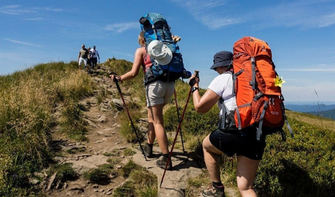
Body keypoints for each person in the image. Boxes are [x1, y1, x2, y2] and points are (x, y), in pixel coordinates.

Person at [189, 51, 266, 197]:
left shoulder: (223, 78)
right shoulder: (253, 77)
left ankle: (217, 188)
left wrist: (195, 88)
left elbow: (200, 108)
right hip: (256, 132)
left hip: (234, 132)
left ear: (222, 66)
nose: (216, 71)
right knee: (246, 187)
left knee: (207, 146)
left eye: (216, 68)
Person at [110, 32, 181, 169]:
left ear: (143, 39)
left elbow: (133, 73)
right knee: (152, 118)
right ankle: (148, 147)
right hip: (170, 86)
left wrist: (119, 78)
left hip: (154, 86)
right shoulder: (165, 48)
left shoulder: (142, 51)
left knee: (158, 121)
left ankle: (166, 158)